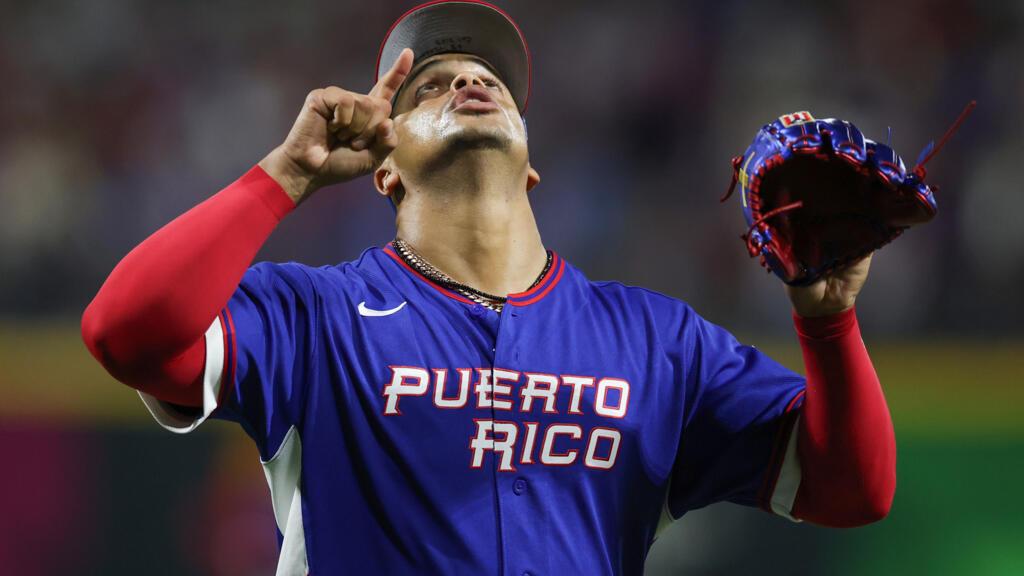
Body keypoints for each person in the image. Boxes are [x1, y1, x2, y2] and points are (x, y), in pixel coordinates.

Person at [81, 1, 895, 574]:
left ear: (532, 166)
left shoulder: (656, 341)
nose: (469, 81)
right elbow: (125, 331)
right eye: (429, 87)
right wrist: (286, 174)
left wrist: (830, 324)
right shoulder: (316, 318)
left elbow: (853, 490)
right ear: (385, 169)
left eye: (488, 80)